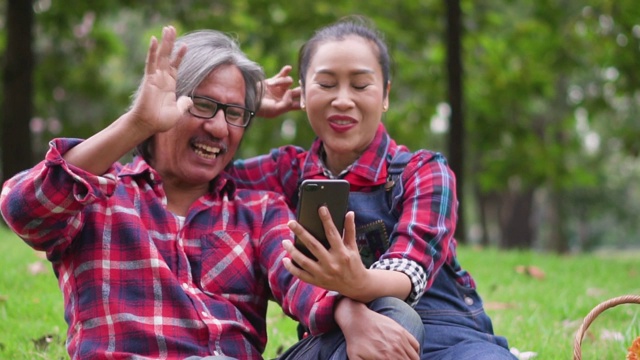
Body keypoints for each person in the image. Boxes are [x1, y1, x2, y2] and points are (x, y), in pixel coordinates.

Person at [0, 26, 424, 359]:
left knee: (390, 317)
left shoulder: (257, 208)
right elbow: (23, 208)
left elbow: (301, 280)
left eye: (235, 113)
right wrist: (135, 125)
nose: (219, 128)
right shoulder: (97, 197)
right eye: (202, 106)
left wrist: (348, 313)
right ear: (162, 103)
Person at [229, 16, 517, 360]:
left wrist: (355, 281)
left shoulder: (423, 172)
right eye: (326, 84)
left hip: (448, 340)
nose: (343, 100)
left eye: (361, 85)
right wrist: (242, 105)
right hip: (339, 341)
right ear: (303, 94)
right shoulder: (285, 172)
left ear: (385, 95)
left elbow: (409, 268)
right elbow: (194, 172)